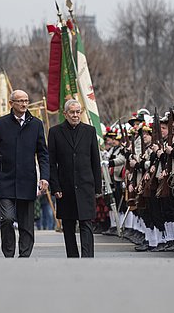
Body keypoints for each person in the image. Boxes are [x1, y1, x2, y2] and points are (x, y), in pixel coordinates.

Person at [0, 89, 49, 258]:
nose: (23, 104)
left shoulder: (36, 124)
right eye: (20, 101)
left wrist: (44, 177)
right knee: (7, 218)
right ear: (11, 104)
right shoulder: (1, 124)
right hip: (5, 181)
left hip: (27, 180)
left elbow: (43, 153)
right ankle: (8, 253)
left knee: (26, 224)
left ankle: (24, 256)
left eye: (26, 101)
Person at [48, 99, 102, 258]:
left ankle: (87, 257)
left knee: (86, 223)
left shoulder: (90, 131)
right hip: (65, 187)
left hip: (86, 185)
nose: (75, 115)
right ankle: (72, 257)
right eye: (72, 112)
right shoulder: (55, 132)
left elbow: (95, 161)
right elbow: (52, 163)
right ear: (65, 113)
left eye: (78, 112)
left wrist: (97, 188)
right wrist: (55, 187)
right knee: (68, 224)